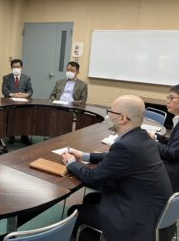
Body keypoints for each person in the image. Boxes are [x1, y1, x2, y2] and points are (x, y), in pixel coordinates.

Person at [62, 95, 173, 241]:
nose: (108, 116)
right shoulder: (142, 137)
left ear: (122, 118)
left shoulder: (126, 146)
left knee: (74, 211)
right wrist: (84, 156)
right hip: (151, 209)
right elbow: (118, 158)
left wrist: (71, 163)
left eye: (111, 112)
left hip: (138, 220)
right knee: (91, 198)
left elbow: (93, 178)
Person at [149, 84, 179, 192]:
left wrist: (152, 142)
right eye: (168, 97)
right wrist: (156, 136)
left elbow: (171, 154)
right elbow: (172, 143)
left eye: (171, 98)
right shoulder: (177, 119)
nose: (167, 101)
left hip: (173, 174)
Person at [2, 58, 33, 144]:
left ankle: (24, 136)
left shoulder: (26, 78)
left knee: (26, 115)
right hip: (10, 102)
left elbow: (30, 91)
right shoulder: (6, 78)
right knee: (11, 114)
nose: (16, 69)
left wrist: (26, 95)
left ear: (21, 67)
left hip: (23, 103)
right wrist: (13, 94)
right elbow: (4, 91)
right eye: (14, 67)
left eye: (18, 67)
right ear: (11, 68)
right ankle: (11, 135)